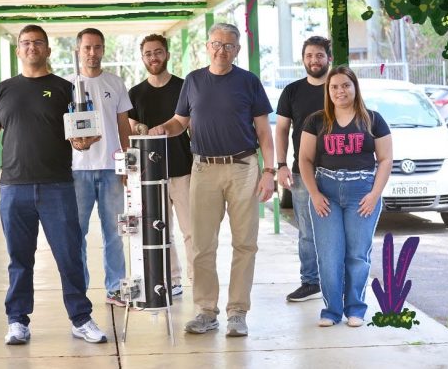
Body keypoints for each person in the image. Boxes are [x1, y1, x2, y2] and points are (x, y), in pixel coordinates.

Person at [0, 25, 107, 345]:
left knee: (69, 256)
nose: (31, 47)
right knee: (19, 259)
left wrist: (83, 142)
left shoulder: (67, 89)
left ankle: (81, 319)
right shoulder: (3, 91)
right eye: (25, 43)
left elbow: (83, 132)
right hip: (14, 188)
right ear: (18, 50)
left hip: (57, 187)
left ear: (48, 50)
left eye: (38, 42)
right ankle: (17, 321)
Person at [150, 23, 275, 337]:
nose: (222, 50)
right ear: (207, 46)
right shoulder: (193, 80)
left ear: (237, 50)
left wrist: (269, 171)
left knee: (245, 243)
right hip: (204, 169)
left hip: (243, 167)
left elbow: (264, 131)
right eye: (217, 44)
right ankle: (206, 311)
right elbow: (180, 121)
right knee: (202, 245)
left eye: (229, 45)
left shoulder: (249, 81)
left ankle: (238, 313)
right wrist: (162, 129)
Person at [298, 65, 392, 327]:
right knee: (329, 256)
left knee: (357, 255)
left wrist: (375, 194)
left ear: (355, 87)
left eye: (345, 85)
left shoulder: (373, 119)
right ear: (328, 91)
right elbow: (304, 159)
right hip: (325, 193)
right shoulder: (316, 121)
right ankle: (331, 310)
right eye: (334, 87)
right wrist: (314, 194)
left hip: (361, 193)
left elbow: (385, 159)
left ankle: (355, 309)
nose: (340, 91)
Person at [69, 28, 132, 307]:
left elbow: (123, 126)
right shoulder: (67, 84)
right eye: (87, 48)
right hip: (77, 170)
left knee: (114, 233)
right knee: (76, 234)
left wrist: (127, 164)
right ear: (78, 51)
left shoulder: (115, 83)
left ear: (103, 49)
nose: (92, 53)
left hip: (110, 169)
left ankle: (115, 288)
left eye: (97, 47)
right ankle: (78, 290)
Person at [128, 33, 193, 296]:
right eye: (148, 53)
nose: (153, 57)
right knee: (161, 231)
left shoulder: (184, 87)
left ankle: (197, 279)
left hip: (183, 169)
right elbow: (131, 126)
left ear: (166, 54)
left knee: (192, 231)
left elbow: (191, 124)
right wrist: (140, 128)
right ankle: (173, 280)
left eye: (158, 52)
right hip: (151, 174)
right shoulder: (135, 93)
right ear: (142, 58)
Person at [276, 36, 331, 302]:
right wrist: (281, 165)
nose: (314, 60)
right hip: (302, 172)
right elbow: (282, 129)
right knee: (307, 232)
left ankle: (337, 281)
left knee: (337, 231)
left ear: (329, 58)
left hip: (338, 172)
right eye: (309, 55)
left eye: (319, 55)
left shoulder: (338, 88)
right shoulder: (292, 91)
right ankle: (311, 282)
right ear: (303, 59)